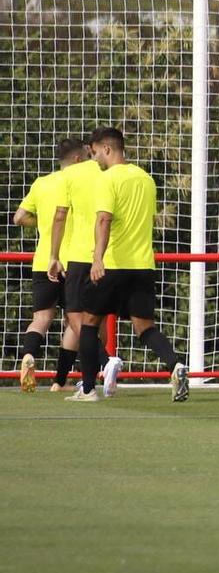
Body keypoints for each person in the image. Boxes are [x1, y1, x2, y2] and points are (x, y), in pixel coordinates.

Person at [75, 127, 188, 402]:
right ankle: (175, 365)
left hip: (114, 262)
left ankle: (88, 389)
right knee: (145, 327)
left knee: (88, 322)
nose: (95, 159)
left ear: (107, 149)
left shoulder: (108, 179)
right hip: (143, 265)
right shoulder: (146, 180)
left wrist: (97, 258)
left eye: (95, 153)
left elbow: (104, 219)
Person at [13, 137, 85, 392]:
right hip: (73, 261)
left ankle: (28, 356)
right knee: (74, 322)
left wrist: (41, 221)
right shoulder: (79, 183)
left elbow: (19, 217)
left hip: (43, 261)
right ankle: (60, 381)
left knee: (41, 318)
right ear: (78, 159)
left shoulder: (42, 183)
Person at [43, 133, 105, 396]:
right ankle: (76, 381)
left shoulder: (61, 179)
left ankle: (106, 360)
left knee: (74, 317)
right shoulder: (107, 172)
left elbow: (58, 216)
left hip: (77, 256)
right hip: (107, 255)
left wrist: (54, 255)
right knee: (90, 319)